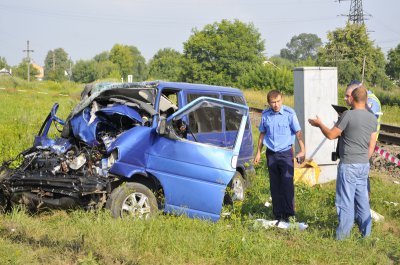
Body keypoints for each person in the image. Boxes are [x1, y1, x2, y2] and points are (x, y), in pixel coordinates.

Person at [308, 86, 377, 240]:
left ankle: (342, 238)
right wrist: (364, 159)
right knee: (362, 201)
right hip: (363, 165)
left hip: (349, 165)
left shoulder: (348, 115)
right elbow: (372, 144)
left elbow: (332, 135)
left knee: (345, 201)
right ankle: (366, 235)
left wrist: (319, 124)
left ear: (352, 98)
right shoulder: (373, 118)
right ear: (366, 99)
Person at [254, 90, 305, 222]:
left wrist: (303, 150)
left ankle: (289, 215)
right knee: (275, 185)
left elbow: (298, 133)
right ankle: (278, 215)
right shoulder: (265, 115)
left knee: (287, 184)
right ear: (269, 103)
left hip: (286, 153)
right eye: (273, 102)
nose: (276, 105)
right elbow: (262, 134)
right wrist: (258, 152)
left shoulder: (289, 113)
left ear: (282, 100)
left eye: (278, 101)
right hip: (271, 154)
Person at [344, 80, 382, 194]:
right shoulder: (365, 98)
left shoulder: (371, 100)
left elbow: (366, 118)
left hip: (366, 141)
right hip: (360, 140)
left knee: (363, 176)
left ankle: (364, 200)